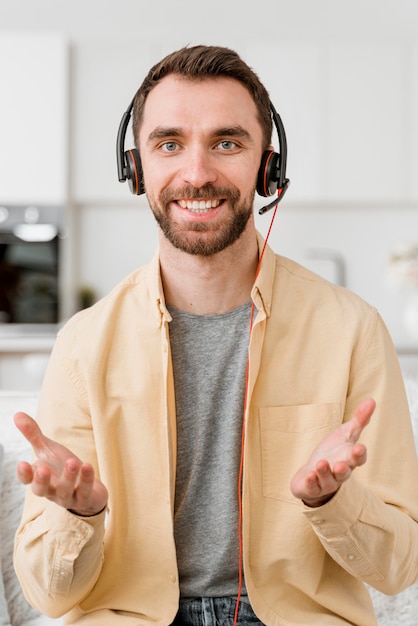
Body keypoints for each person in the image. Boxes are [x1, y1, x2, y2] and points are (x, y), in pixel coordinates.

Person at [13, 44, 418, 626]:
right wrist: (80, 515)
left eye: (227, 143)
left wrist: (335, 501)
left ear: (267, 166)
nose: (197, 173)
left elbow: (400, 568)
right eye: (169, 144)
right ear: (136, 168)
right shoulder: (84, 344)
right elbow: (48, 596)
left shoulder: (352, 329)